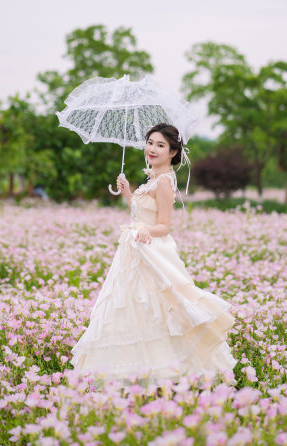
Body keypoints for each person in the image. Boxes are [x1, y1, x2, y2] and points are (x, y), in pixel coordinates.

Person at [70, 123, 237, 392]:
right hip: (134, 251)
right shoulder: (152, 179)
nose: (152, 149)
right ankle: (137, 370)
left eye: (160, 145)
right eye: (149, 142)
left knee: (158, 310)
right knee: (133, 309)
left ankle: (170, 372)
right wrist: (127, 192)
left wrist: (145, 230)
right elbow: (139, 216)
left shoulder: (164, 182)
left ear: (172, 152)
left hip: (153, 254)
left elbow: (164, 226)